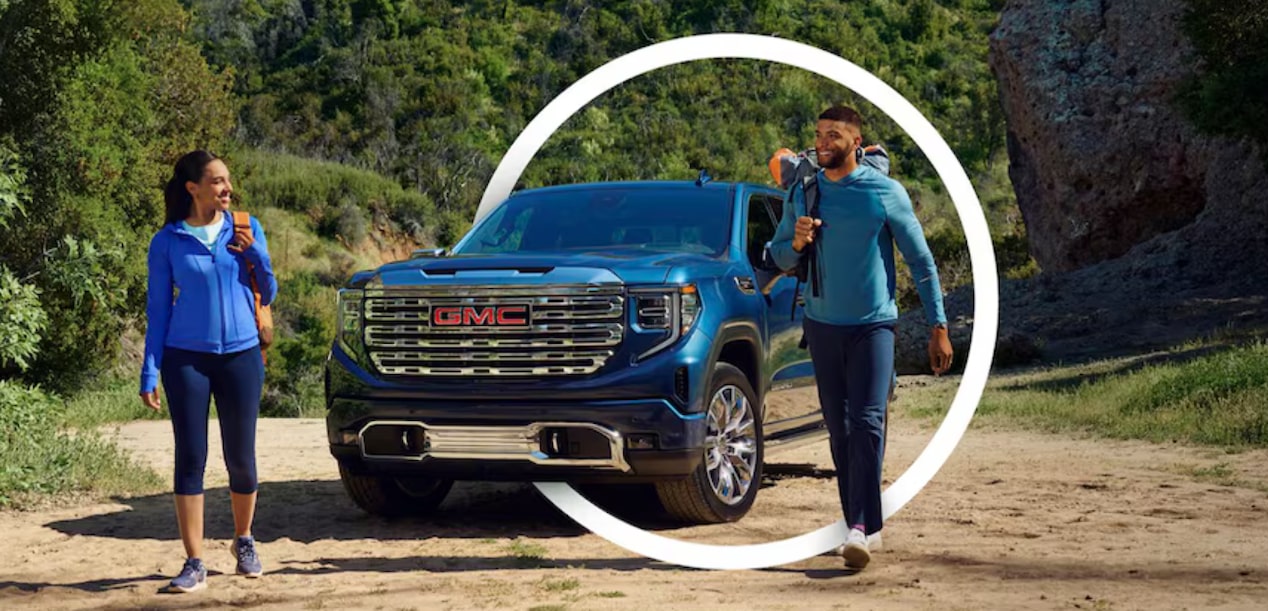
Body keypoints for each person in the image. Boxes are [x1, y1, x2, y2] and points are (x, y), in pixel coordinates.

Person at [769, 106, 953, 571]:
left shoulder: (884, 192)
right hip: (822, 325)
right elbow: (776, 257)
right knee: (841, 430)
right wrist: (795, 242)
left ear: (856, 140)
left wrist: (939, 326)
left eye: (833, 135)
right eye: (817, 136)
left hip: (874, 326)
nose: (823, 142)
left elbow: (922, 262)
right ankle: (864, 523)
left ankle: (858, 531)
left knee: (869, 422)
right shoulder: (805, 193)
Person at [139, 150, 278, 593]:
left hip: (241, 355)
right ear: (193, 188)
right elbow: (158, 310)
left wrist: (255, 255)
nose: (226, 188)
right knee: (191, 457)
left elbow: (269, 289)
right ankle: (195, 561)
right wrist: (150, 370)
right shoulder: (167, 241)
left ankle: (244, 540)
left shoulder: (245, 228)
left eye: (228, 181)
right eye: (217, 181)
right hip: (186, 359)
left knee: (241, 457)